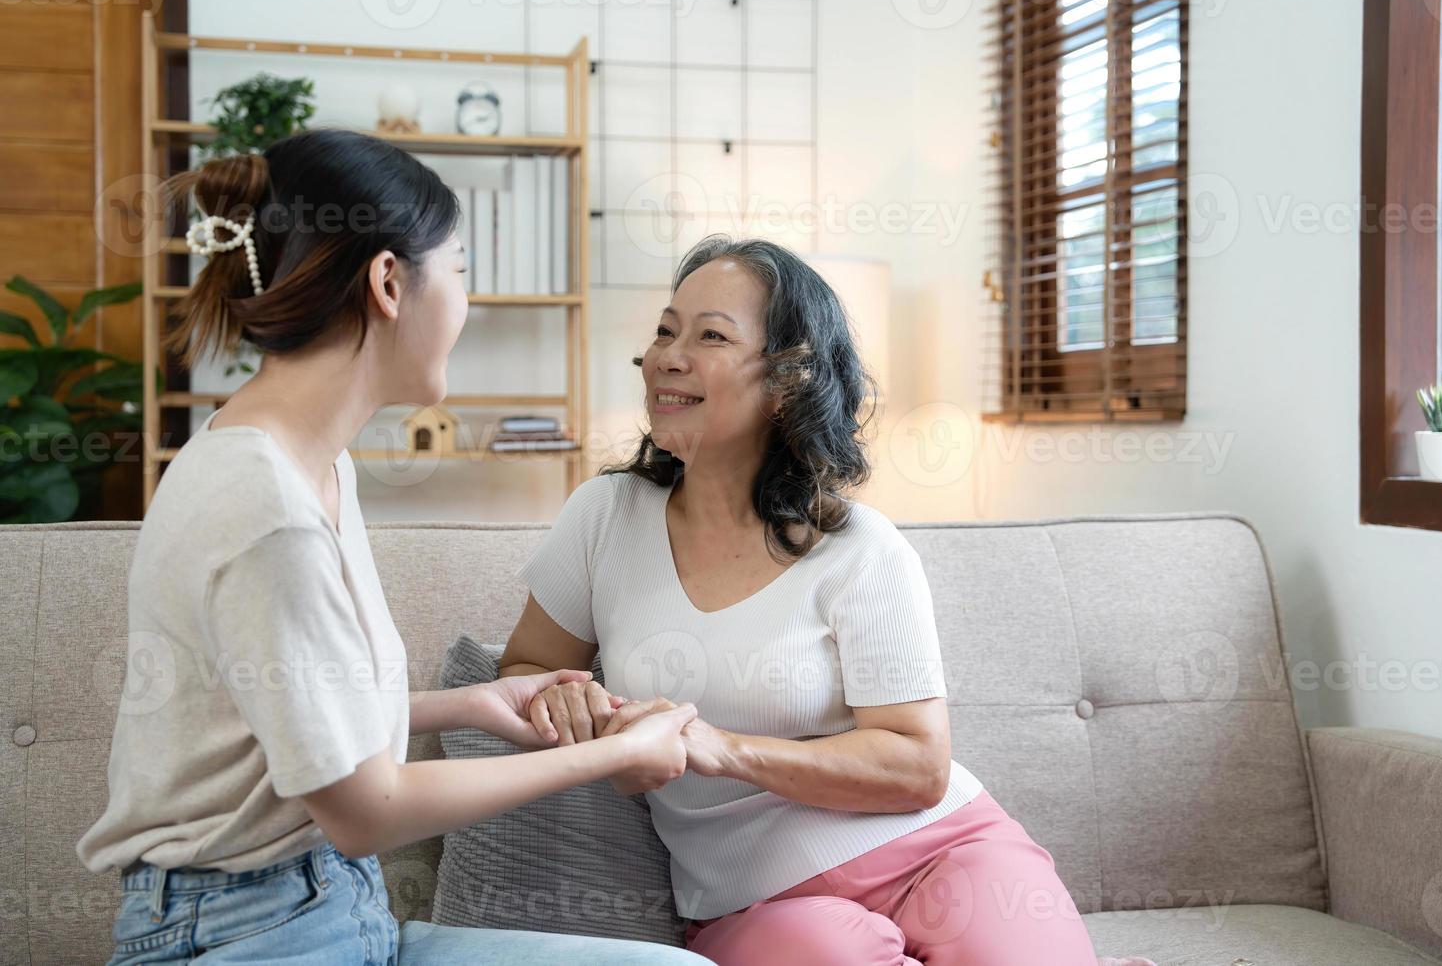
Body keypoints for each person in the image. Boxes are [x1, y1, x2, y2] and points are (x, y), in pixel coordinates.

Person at [76, 127, 713, 966]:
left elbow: (289, 719)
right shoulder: (265, 509)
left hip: (336, 911)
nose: (465, 302)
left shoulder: (314, 464)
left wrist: (464, 708)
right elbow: (366, 809)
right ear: (388, 282)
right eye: (457, 269)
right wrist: (616, 755)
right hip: (240, 937)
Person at [498, 235, 1106, 964]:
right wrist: (564, 698)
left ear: (787, 382)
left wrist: (723, 751)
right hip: (754, 902)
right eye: (665, 330)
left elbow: (917, 765)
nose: (667, 355)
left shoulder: (861, 548)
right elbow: (524, 668)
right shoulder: (605, 516)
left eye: (710, 336)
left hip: (942, 850)